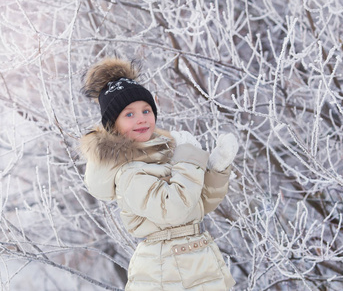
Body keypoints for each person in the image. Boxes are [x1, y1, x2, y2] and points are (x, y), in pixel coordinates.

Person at [80, 57, 238, 290]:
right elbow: (174, 209)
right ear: (113, 125)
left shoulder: (163, 157)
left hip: (195, 261)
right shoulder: (129, 173)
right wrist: (187, 160)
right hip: (168, 269)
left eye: (146, 110)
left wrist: (217, 169)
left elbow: (198, 206)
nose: (142, 118)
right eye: (129, 114)